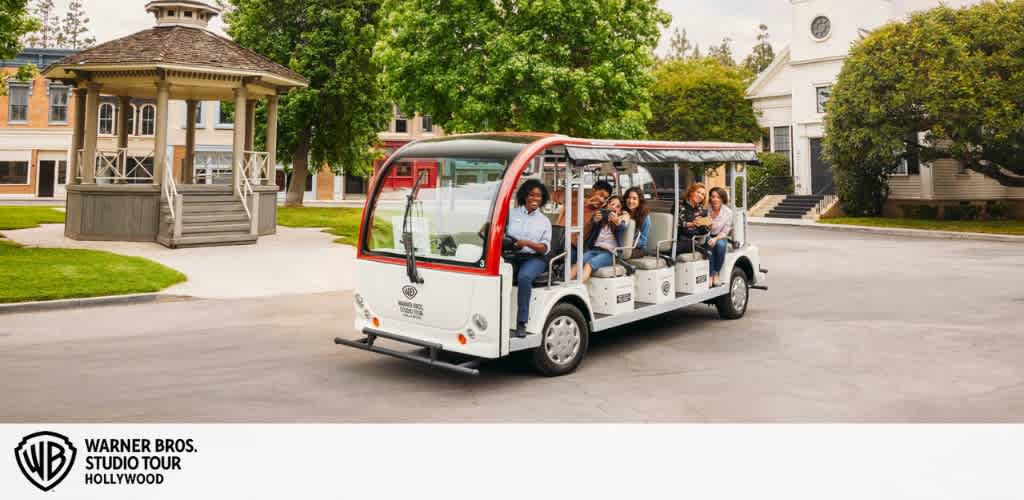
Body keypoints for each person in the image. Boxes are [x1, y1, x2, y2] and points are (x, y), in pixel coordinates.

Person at [507, 179, 552, 338]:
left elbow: (544, 248)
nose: (535, 198)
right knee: (496, 274)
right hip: (512, 255)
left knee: (524, 278)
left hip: (536, 259)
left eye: (539, 196)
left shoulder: (544, 221)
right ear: (525, 196)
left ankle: (521, 322)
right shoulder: (511, 214)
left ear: (542, 199)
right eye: (532, 195)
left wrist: (526, 243)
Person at [574, 195, 629, 282]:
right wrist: (595, 220)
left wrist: (617, 221)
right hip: (594, 250)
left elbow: (622, 227)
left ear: (619, 211)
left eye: (617, 206)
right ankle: (566, 287)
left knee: (588, 264)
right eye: (612, 204)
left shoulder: (619, 222)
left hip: (610, 253)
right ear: (607, 205)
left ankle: (577, 287)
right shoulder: (600, 219)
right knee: (578, 263)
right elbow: (592, 223)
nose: (614, 207)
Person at [556, 180, 613, 257]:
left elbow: (616, 212)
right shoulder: (577, 197)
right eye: (600, 195)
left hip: (574, 247)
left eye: (605, 198)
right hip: (558, 239)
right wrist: (585, 201)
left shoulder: (599, 213)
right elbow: (555, 195)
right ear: (593, 191)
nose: (602, 200)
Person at [705, 187, 734, 287]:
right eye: (713, 197)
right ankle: (710, 274)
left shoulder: (728, 212)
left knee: (720, 246)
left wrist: (716, 239)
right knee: (710, 244)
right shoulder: (706, 209)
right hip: (707, 234)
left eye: (718, 197)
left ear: (722, 199)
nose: (715, 199)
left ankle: (716, 273)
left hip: (720, 235)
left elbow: (725, 231)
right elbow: (704, 228)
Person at [676, 182, 709, 255]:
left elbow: (702, 231)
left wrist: (707, 227)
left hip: (694, 239)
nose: (700, 196)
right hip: (679, 237)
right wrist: (690, 224)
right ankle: (698, 248)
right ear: (691, 192)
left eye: (703, 194)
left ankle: (697, 247)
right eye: (698, 192)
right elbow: (675, 223)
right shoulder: (679, 205)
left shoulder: (702, 211)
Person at [623, 187, 651, 254]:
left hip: (637, 248)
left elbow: (643, 241)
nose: (630, 201)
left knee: (615, 254)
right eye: (629, 197)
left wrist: (628, 243)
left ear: (639, 201)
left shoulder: (645, 217)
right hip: (621, 245)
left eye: (634, 198)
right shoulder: (623, 212)